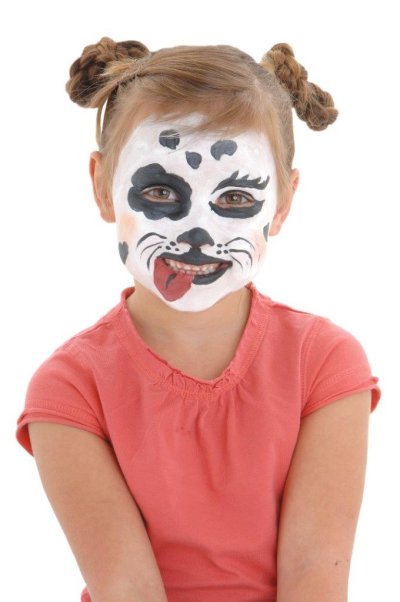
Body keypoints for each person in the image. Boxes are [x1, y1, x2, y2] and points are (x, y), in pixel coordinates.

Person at [15, 37, 381, 602]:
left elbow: (316, 575)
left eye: (234, 199)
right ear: (102, 186)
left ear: (283, 202)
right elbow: (128, 590)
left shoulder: (323, 362)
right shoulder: (70, 387)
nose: (196, 235)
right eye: (161, 191)